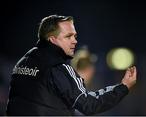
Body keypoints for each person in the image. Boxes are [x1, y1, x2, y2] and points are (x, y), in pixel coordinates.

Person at [6, 15, 137, 116]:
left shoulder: (22, 63)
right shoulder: (58, 67)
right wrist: (124, 87)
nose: (75, 41)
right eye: (69, 36)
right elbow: (89, 106)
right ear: (52, 39)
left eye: (75, 36)